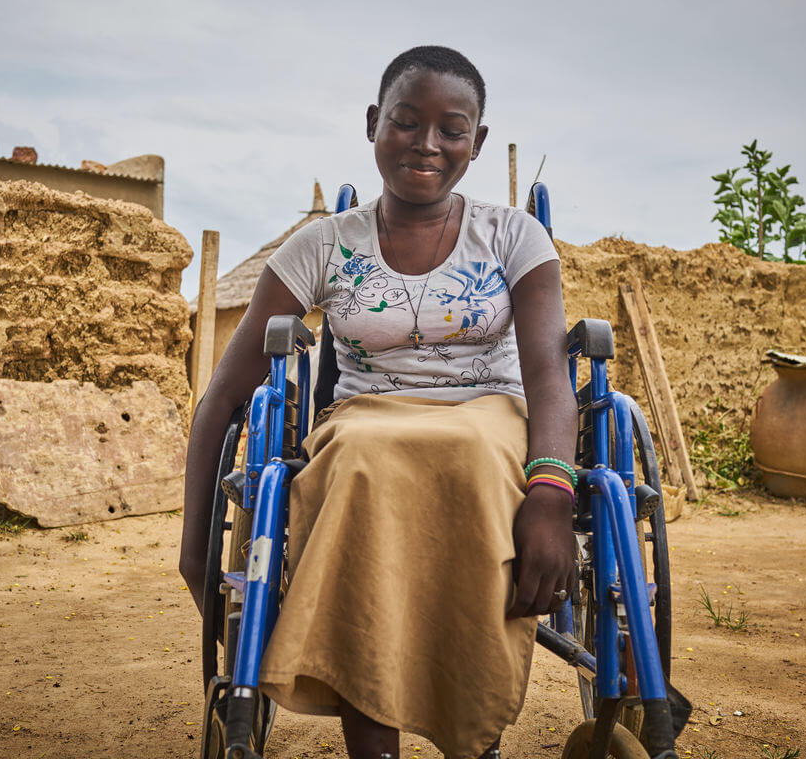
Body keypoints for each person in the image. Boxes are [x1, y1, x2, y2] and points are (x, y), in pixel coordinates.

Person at [180, 45, 577, 759]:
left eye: (452, 129)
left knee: (475, 457)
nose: (427, 144)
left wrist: (550, 491)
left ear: (476, 143)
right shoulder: (322, 247)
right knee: (356, 459)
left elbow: (550, 373)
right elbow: (224, 395)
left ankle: (470, 735)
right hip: (367, 419)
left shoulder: (514, 236)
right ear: (373, 124)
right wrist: (194, 551)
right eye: (406, 122)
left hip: (488, 412)